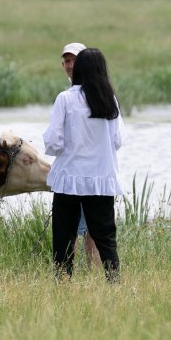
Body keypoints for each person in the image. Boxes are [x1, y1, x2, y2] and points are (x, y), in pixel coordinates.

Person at [43, 48, 124, 282]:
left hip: (69, 179)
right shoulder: (110, 100)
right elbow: (118, 141)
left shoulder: (65, 99)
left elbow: (54, 143)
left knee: (63, 238)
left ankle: (63, 283)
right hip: (101, 179)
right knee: (106, 238)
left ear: (77, 69)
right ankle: (114, 282)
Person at [60, 42, 101, 269]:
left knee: (92, 227)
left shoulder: (97, 93)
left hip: (90, 170)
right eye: (66, 61)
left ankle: (91, 269)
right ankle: (73, 272)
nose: (70, 65)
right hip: (75, 170)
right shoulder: (67, 95)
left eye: (74, 60)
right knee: (74, 227)